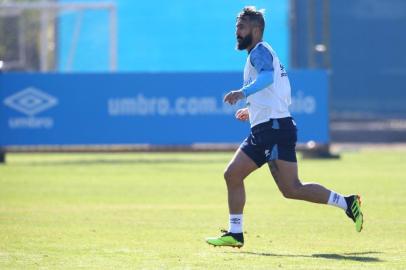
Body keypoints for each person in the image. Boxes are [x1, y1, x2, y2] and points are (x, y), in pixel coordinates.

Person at [205, 6, 363, 248]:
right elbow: (273, 89)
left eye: (242, 27)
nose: (237, 31)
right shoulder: (258, 53)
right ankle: (235, 233)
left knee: (292, 188)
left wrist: (242, 93)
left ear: (256, 30)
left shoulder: (259, 52)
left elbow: (267, 78)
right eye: (236, 26)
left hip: (276, 129)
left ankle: (347, 202)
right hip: (264, 129)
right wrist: (253, 109)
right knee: (232, 174)